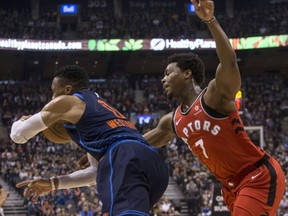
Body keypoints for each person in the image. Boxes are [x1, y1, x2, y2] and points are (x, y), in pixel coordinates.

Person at [143, 0, 286, 215]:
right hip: (230, 187)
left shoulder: (214, 97)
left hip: (256, 176)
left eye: (169, 73)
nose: (163, 79)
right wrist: (101, 154)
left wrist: (210, 21)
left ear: (187, 74)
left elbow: (229, 63)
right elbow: (136, 143)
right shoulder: (172, 121)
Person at [10, 65, 169, 216]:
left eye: (53, 91)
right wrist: (53, 183)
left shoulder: (67, 101)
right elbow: (95, 173)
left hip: (125, 157)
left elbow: (18, 135)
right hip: (152, 162)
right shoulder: (99, 109)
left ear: (67, 90)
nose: (52, 97)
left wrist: (22, 120)